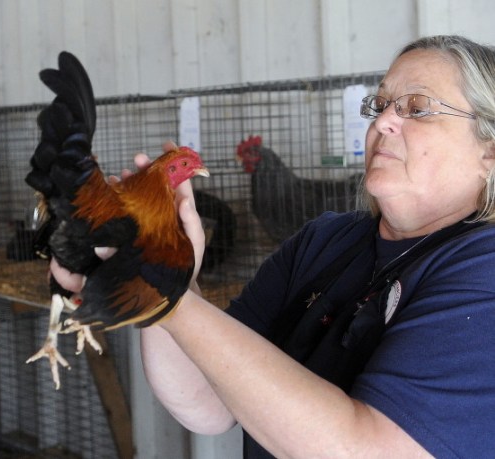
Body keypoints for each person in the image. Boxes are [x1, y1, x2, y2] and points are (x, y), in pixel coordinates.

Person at [55, 35, 495, 458]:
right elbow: (208, 401)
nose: (382, 122)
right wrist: (166, 271)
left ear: (488, 153)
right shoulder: (322, 241)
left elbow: (360, 450)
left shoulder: (484, 268)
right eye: (379, 105)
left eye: (417, 108)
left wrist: (165, 293)